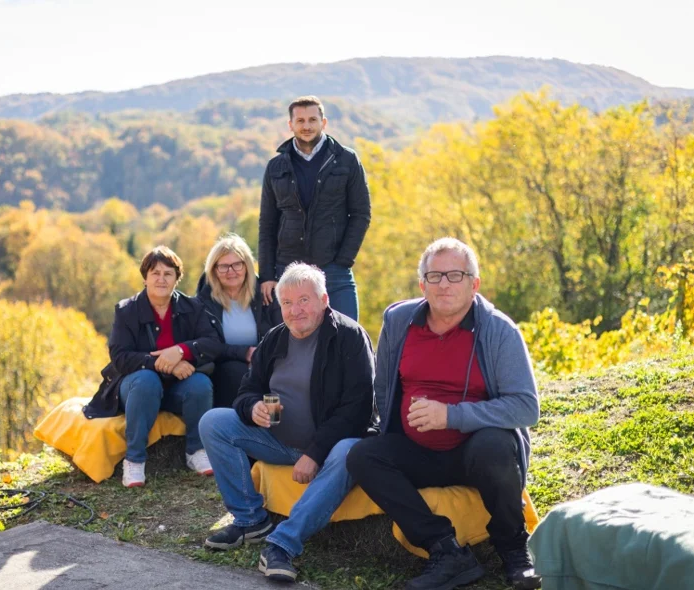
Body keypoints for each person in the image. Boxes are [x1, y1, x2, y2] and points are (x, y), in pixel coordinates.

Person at [346, 238, 542, 590]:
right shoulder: (398, 321)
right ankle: (445, 550)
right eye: (434, 276)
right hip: (417, 451)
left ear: (474, 283)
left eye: (455, 275)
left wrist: (451, 416)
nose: (444, 285)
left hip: (473, 455)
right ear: (422, 285)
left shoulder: (500, 331)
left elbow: (526, 407)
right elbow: (384, 386)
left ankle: (514, 549)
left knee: (494, 446)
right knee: (363, 455)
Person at [198, 263, 374, 583]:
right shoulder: (274, 338)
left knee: (351, 451)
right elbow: (247, 391)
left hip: (330, 448)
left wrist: (315, 452)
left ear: (324, 299)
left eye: (304, 300)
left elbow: (358, 409)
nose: (295, 310)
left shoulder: (349, 336)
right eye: (288, 303)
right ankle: (251, 520)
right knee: (213, 422)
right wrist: (252, 408)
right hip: (277, 441)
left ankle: (283, 543)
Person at [83, 246, 222, 488]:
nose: (161, 279)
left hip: (176, 389)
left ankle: (196, 451)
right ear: (145, 278)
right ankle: (134, 460)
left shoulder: (193, 307)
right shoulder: (127, 310)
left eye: (168, 273)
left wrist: (181, 351)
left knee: (200, 384)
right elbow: (120, 357)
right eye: (155, 273)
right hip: (136, 388)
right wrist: (164, 363)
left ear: (177, 278)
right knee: (147, 380)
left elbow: (212, 343)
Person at [257, 95, 371, 321]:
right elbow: (267, 224)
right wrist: (267, 275)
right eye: (300, 121)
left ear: (323, 122)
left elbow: (361, 214)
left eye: (312, 120)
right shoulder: (275, 167)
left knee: (346, 335)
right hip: (286, 270)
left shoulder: (347, 160)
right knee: (291, 339)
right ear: (291, 125)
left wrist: (343, 260)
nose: (306, 126)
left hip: (334, 270)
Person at [195, 234, 282, 408]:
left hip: (265, 362)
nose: (231, 271)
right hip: (225, 369)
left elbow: (281, 333)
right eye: (223, 266)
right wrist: (245, 353)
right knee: (235, 372)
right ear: (214, 270)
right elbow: (207, 346)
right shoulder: (203, 303)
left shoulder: (265, 295)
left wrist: (260, 355)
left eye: (237, 264)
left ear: (247, 266)